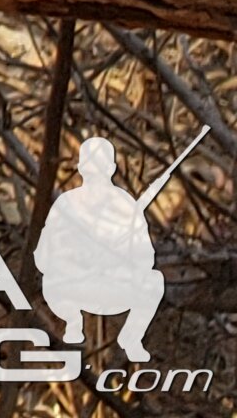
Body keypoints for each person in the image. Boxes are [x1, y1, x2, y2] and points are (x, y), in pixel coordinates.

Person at [37, 136, 167, 361]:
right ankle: (73, 325)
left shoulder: (126, 205)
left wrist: (118, 258)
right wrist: (75, 261)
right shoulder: (66, 204)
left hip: (112, 287)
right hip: (72, 287)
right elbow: (43, 256)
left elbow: (146, 258)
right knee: (52, 280)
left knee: (154, 281)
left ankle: (131, 339)